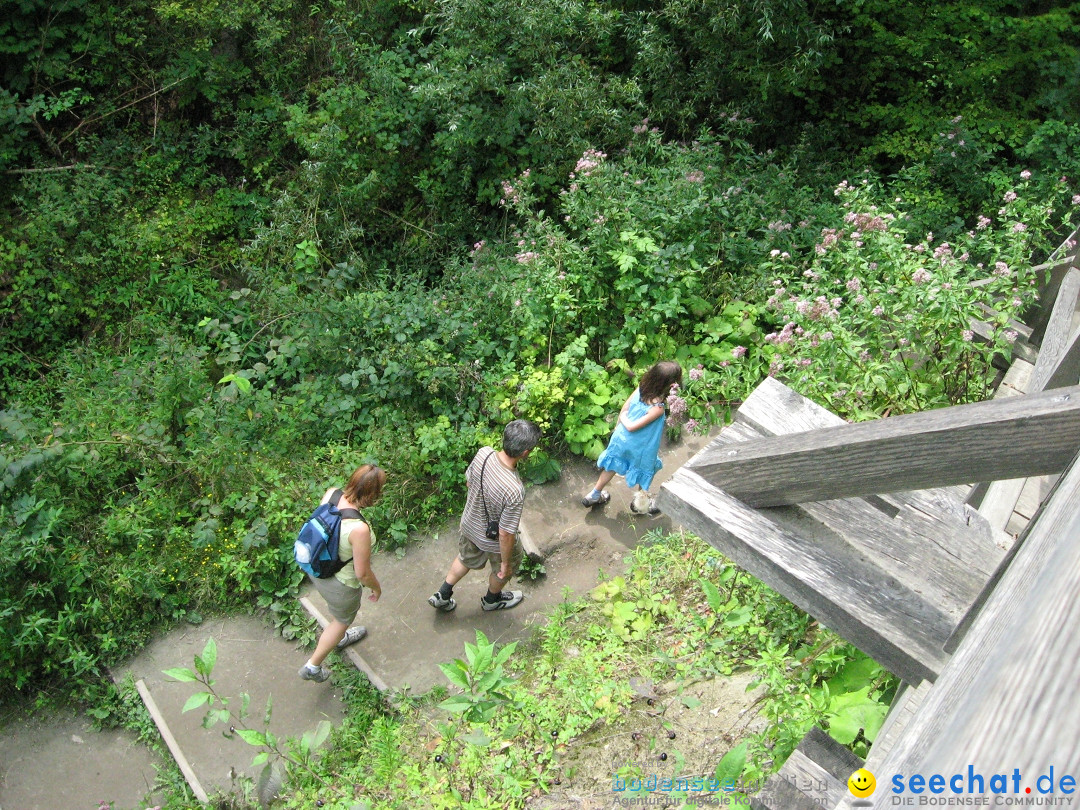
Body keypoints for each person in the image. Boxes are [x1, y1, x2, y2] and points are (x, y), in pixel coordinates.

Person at [428, 419, 542, 613]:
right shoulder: (514, 489)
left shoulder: (484, 454)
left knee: (465, 558)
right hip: (493, 540)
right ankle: (492, 600)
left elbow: (469, 483)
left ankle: (442, 595)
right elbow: (505, 533)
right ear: (525, 453)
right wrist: (506, 565)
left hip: (470, 525)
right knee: (501, 571)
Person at [299, 464, 385, 683]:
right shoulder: (359, 529)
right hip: (341, 584)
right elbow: (362, 573)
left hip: (317, 568)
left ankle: (337, 635)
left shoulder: (332, 494)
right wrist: (376, 588)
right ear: (372, 494)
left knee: (336, 613)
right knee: (341, 620)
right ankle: (313, 666)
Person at [580, 360, 684, 515]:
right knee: (646, 471)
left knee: (612, 466)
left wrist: (619, 423)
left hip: (621, 439)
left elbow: (625, 408)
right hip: (641, 448)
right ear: (671, 385)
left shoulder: (641, 388)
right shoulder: (657, 409)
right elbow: (632, 426)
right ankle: (641, 504)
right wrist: (625, 420)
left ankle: (594, 494)